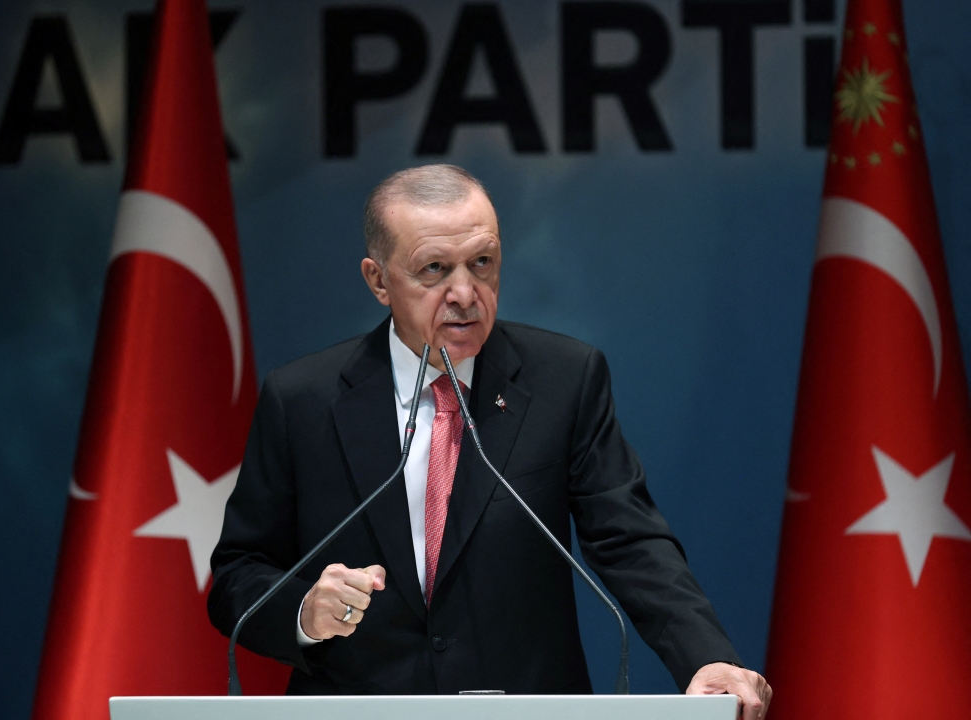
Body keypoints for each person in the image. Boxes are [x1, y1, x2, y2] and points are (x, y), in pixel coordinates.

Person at [208, 165, 772, 717]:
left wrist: (706, 657)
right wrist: (305, 608)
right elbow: (238, 573)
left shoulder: (563, 380)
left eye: (482, 263)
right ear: (378, 280)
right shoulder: (303, 400)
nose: (464, 292)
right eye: (434, 269)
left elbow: (630, 542)